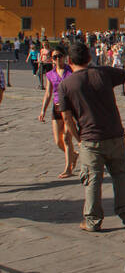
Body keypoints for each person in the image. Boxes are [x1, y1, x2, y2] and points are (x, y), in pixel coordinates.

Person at [57, 40, 125, 232]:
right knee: (120, 176)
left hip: (90, 138)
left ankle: (92, 221)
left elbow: (67, 118)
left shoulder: (65, 86)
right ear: (89, 57)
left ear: (69, 60)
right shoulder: (103, 73)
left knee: (92, 180)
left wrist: (78, 139)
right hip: (115, 135)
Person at [39, 45, 78, 177]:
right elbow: (48, 93)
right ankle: (73, 155)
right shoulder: (50, 74)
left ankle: (68, 168)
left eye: (59, 56)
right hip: (56, 107)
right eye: (54, 57)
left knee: (67, 139)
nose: (57, 59)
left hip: (70, 107)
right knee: (58, 141)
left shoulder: (71, 71)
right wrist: (42, 110)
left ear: (64, 57)